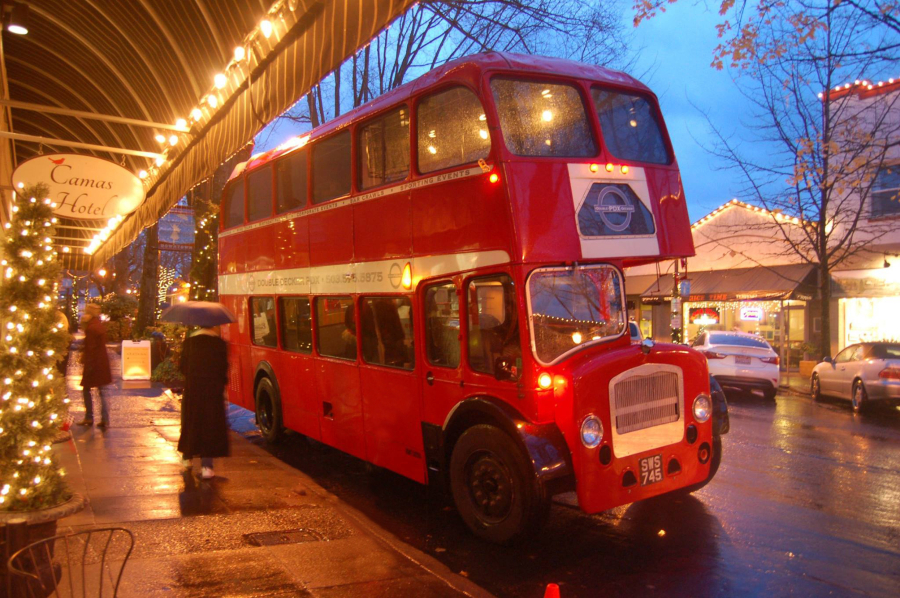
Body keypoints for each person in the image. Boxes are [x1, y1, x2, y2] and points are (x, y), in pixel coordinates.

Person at [178, 326, 229, 479]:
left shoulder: (189, 342)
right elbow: (223, 368)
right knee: (209, 425)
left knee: (191, 422)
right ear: (213, 325)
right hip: (213, 392)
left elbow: (182, 367)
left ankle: (187, 458)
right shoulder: (219, 343)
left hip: (193, 390)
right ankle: (207, 466)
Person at [79, 303, 112, 428]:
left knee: (87, 390)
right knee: (101, 391)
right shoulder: (99, 325)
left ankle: (89, 417)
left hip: (93, 364)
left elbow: (90, 348)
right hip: (102, 363)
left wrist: (88, 365)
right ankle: (105, 418)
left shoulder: (91, 328)